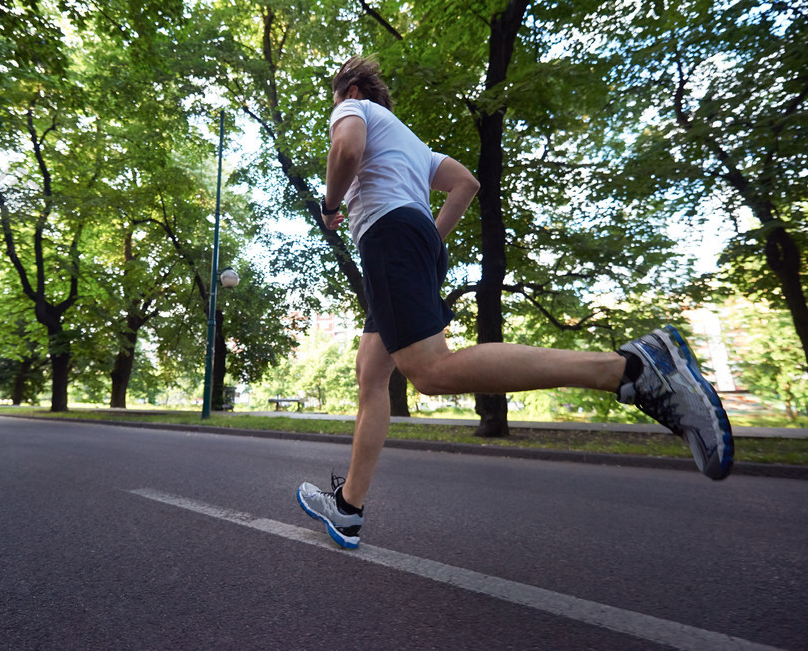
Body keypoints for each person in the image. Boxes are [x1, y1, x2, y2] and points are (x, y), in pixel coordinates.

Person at [296, 55, 734, 550]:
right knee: (371, 374)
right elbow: (466, 184)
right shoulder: (411, 143)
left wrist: (331, 206)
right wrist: (432, 246)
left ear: (351, 91)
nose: (336, 113)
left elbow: (346, 151)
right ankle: (349, 508)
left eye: (337, 102)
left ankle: (630, 368)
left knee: (431, 372)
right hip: (410, 243)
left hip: (387, 238)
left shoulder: (353, 110)